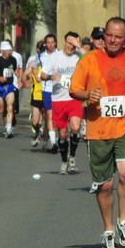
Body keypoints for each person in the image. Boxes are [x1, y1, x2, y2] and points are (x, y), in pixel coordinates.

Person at [70, 18, 125, 248]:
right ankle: (108, 229)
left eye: (118, 37)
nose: (112, 40)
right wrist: (87, 94)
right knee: (105, 185)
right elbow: (74, 89)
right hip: (98, 128)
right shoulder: (89, 59)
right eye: (109, 35)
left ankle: (123, 220)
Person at [43, 32, 85, 174]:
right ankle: (64, 161)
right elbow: (41, 75)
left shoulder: (78, 56)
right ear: (64, 42)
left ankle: (72, 157)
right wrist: (50, 76)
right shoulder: (55, 57)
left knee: (75, 126)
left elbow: (89, 58)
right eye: (69, 43)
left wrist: (79, 47)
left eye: (74, 44)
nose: (71, 47)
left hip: (74, 98)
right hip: (58, 100)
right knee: (62, 134)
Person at [0, 40, 20, 138]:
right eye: (7, 50)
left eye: (10, 50)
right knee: (1, 109)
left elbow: (14, 70)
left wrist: (18, 77)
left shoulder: (13, 59)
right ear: (3, 51)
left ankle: (9, 129)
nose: (9, 52)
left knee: (10, 107)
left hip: (10, 86)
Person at [23, 41, 46, 147]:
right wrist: (26, 82)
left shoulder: (49, 64)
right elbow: (24, 75)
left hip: (47, 95)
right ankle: (38, 132)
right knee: (35, 122)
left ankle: (46, 139)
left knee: (47, 119)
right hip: (36, 95)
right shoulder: (33, 64)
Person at [40, 34, 59, 151]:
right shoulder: (42, 56)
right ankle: (53, 142)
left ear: (56, 43)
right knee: (49, 115)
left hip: (61, 90)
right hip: (47, 89)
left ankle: (54, 138)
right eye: (48, 42)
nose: (51, 44)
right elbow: (40, 73)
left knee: (58, 116)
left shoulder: (61, 55)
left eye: (53, 42)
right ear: (45, 44)